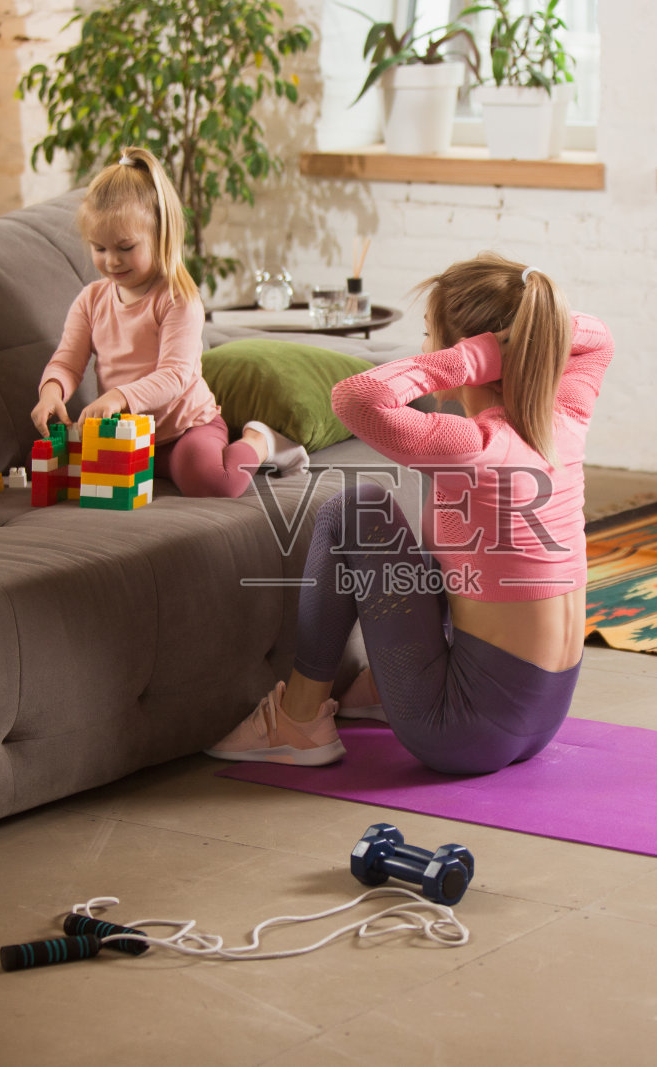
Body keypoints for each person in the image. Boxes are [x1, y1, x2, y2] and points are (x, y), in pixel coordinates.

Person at [205, 252, 613, 774]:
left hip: (459, 733)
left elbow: (356, 398)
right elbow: (598, 337)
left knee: (356, 508)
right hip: (540, 723)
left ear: (462, 351)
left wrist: (469, 356)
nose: (423, 349)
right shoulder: (565, 419)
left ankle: (297, 720)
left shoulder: (474, 443)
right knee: (440, 534)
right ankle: (378, 687)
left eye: (427, 335)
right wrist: (510, 343)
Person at [31, 146, 307, 494]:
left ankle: (262, 440)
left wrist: (118, 397)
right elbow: (68, 361)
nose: (112, 261)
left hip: (186, 429)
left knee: (215, 481)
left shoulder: (177, 297)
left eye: (126, 247)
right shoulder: (91, 300)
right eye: (99, 249)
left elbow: (175, 375)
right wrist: (51, 391)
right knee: (70, 474)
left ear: (160, 234)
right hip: (130, 437)